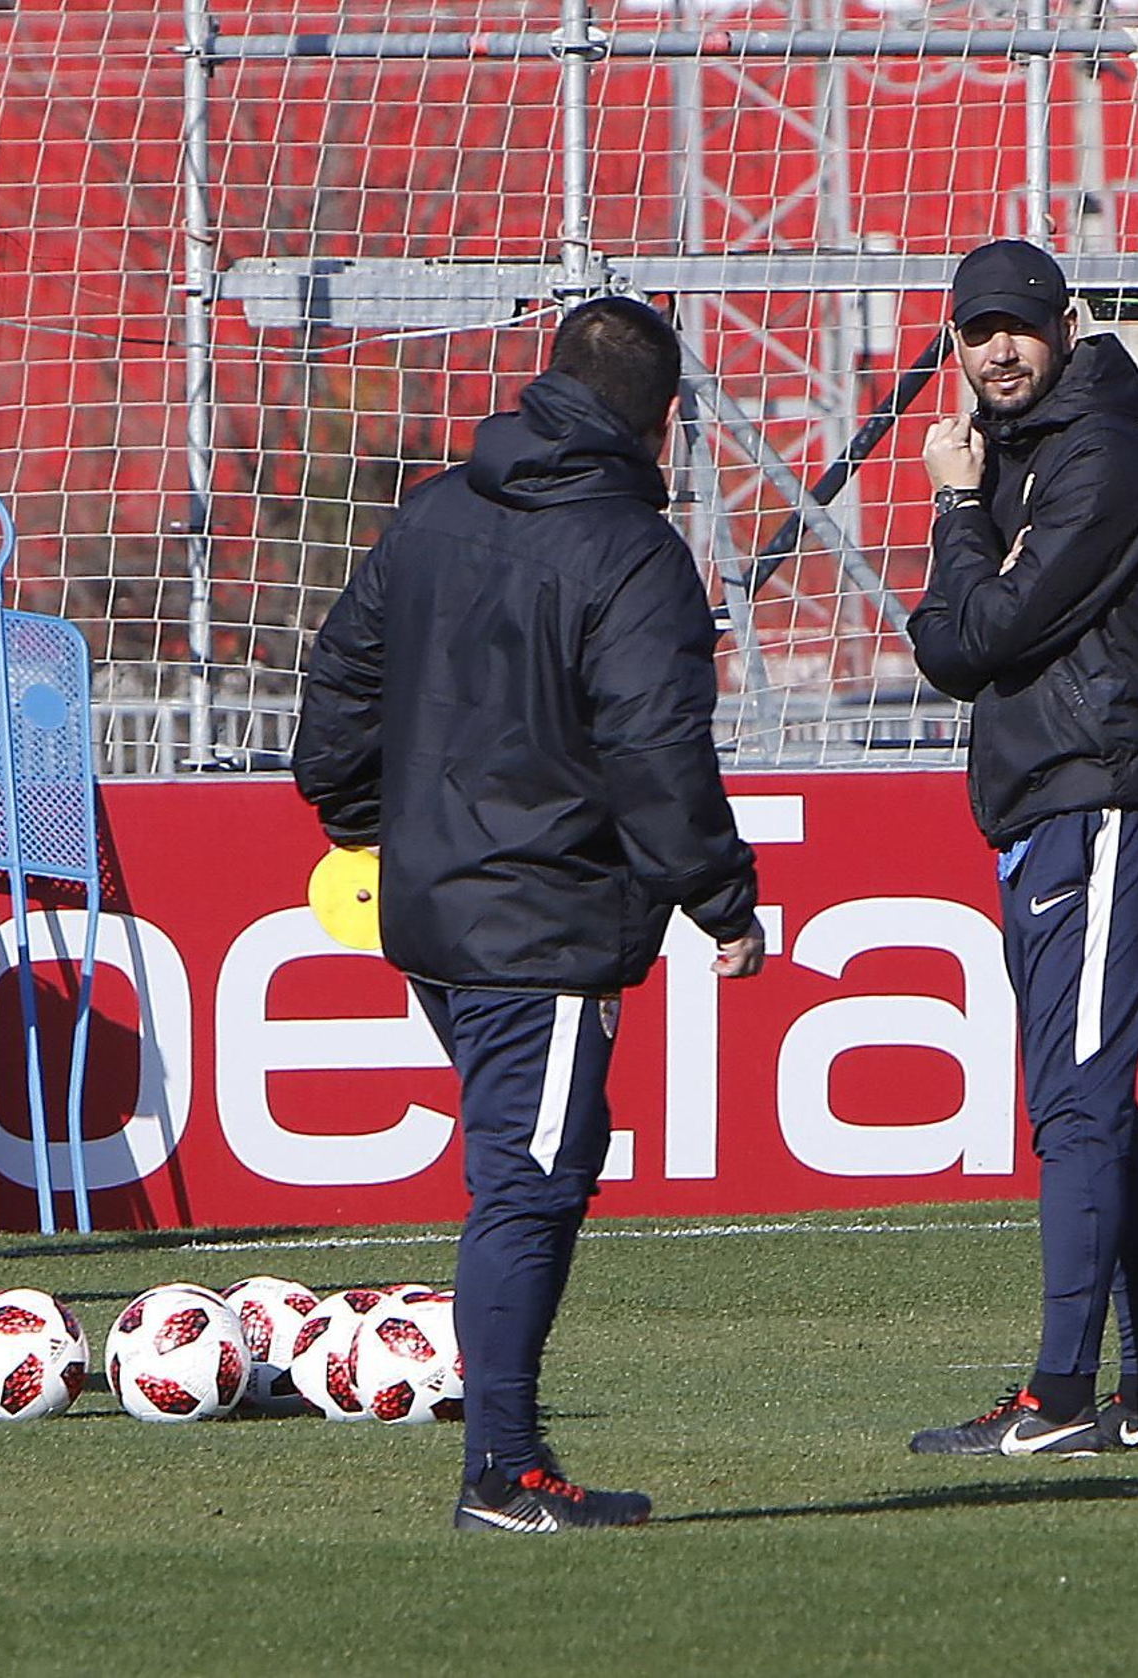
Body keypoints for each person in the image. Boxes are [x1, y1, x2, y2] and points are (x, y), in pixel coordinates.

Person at [293, 296, 766, 1532]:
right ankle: (503, 1471)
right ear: (661, 420)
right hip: (543, 923)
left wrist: (358, 815)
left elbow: (341, 678)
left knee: (520, 1172)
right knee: (529, 1185)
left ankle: (508, 1463)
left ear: (548, 381)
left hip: (438, 913)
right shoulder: (631, 553)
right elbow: (655, 750)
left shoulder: (438, 509)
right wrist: (719, 894)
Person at [906, 240, 1138, 1458]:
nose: (998, 351)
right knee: (1097, 1109)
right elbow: (946, 639)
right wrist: (971, 524)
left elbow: (983, 634)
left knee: (1076, 1104)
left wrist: (957, 510)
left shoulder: (1103, 459)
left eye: (1018, 327)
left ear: (1064, 327)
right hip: (1043, 801)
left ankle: (1062, 1395)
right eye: (976, 332)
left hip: (1102, 796)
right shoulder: (1014, 461)